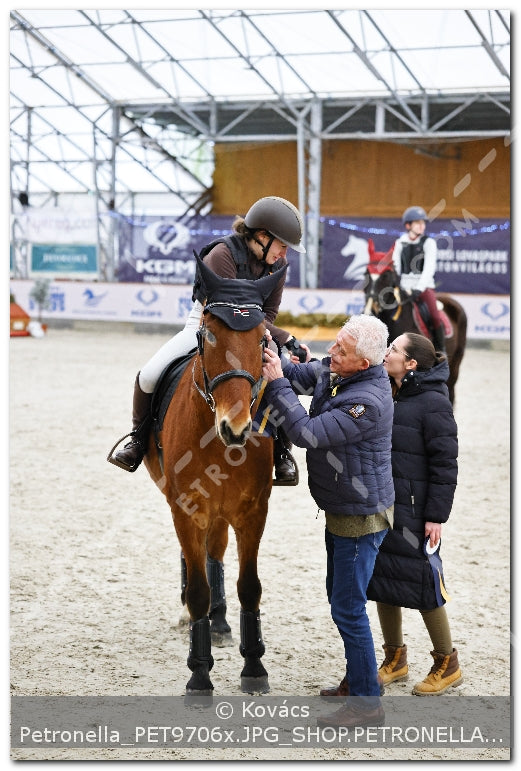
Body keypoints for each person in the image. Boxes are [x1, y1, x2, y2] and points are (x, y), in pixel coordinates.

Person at [108, 196, 308, 484]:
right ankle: (138, 440)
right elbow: (227, 312)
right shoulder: (222, 255)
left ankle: (280, 449)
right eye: (282, 245)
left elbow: (269, 313)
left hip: (254, 329)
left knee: (280, 372)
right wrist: (286, 336)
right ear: (263, 236)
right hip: (209, 322)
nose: (284, 253)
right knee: (149, 375)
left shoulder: (277, 265)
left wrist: (280, 340)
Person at [261, 314, 394, 728]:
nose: (331, 352)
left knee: (348, 609)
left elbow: (307, 434)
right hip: (343, 508)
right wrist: (273, 352)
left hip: (360, 517)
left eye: (341, 350)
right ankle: (358, 681)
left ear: (364, 363)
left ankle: (367, 705)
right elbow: (299, 373)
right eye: (335, 343)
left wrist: (276, 384)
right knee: (341, 602)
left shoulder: (366, 402)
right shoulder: (340, 370)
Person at [365, 331, 462, 695]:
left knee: (424, 583)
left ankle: (447, 663)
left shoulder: (434, 402)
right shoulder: (389, 390)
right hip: (384, 504)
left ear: (411, 363)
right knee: (383, 579)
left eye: (393, 348)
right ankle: (395, 659)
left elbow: (445, 464)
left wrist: (436, 516)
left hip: (417, 511)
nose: (387, 352)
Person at [392, 205, 446, 352]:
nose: (422, 226)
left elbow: (429, 269)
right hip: (403, 288)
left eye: (423, 223)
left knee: (435, 316)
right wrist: (399, 285)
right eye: (418, 223)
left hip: (424, 287)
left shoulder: (429, 243)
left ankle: (441, 350)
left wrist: (418, 289)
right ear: (408, 225)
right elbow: (396, 266)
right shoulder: (400, 242)